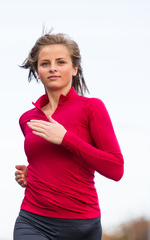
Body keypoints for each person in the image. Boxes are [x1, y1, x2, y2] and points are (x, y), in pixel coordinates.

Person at [13, 33, 124, 240]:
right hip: (33, 219)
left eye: (60, 62)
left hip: (82, 224)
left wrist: (66, 139)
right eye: (45, 63)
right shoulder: (27, 119)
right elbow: (50, 162)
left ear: (74, 69)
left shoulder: (92, 108)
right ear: (38, 72)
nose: (52, 68)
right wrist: (33, 174)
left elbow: (116, 168)